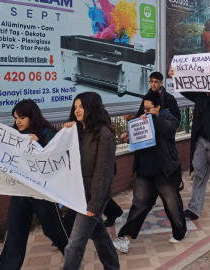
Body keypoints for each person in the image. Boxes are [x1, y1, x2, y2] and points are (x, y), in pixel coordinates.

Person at [0, 100, 69, 270]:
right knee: (14, 233)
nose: (18, 121)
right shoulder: (15, 135)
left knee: (54, 230)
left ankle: (74, 257)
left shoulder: (47, 133)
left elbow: (58, 160)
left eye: (22, 117)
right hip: (21, 192)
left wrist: (38, 147)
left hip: (43, 194)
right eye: (16, 118)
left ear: (32, 116)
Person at [113, 91, 187, 253]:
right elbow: (141, 139)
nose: (145, 111)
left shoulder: (168, 118)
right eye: (143, 108)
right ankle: (125, 238)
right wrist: (130, 137)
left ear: (158, 108)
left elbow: (168, 129)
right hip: (144, 171)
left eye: (148, 108)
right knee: (139, 203)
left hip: (165, 171)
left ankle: (180, 231)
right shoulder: (142, 119)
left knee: (171, 204)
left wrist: (152, 119)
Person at [169, 65, 210, 220]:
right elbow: (185, 89)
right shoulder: (199, 95)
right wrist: (175, 77)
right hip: (200, 141)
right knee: (198, 174)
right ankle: (194, 208)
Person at [62, 92, 119, 270]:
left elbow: (103, 172)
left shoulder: (104, 134)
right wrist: (65, 132)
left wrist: (94, 205)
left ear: (91, 108)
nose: (77, 110)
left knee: (74, 243)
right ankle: (112, 266)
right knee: (99, 233)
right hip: (77, 193)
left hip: (93, 198)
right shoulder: (75, 131)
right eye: (75, 107)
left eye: (81, 106)